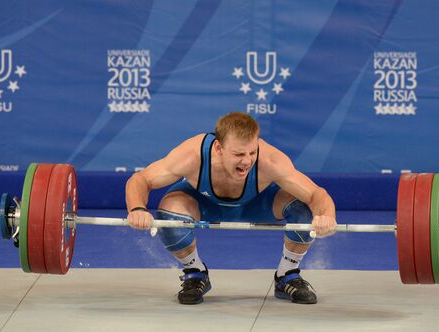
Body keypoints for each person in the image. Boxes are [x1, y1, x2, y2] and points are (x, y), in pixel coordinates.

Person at [125, 112, 337, 305]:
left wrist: (326, 215)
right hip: (204, 204)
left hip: (256, 204)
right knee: (169, 216)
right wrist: (137, 209)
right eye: (238, 154)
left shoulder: (270, 160)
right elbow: (140, 179)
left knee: (304, 210)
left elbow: (316, 194)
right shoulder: (192, 155)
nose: (247, 161)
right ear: (218, 148)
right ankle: (195, 272)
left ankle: (287, 275)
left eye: (252, 152)